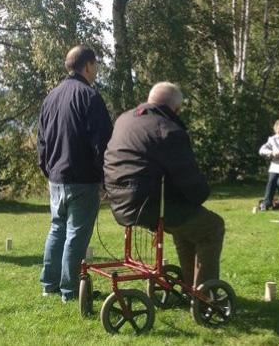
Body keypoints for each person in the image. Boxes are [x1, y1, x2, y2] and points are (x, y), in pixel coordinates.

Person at [104, 82, 225, 289]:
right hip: (151, 205)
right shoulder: (168, 129)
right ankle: (206, 295)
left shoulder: (125, 119)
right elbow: (190, 181)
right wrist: (202, 193)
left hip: (120, 201)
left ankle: (190, 286)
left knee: (185, 225)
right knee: (212, 226)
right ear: (175, 109)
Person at [37, 45, 113, 302]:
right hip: (82, 178)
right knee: (76, 235)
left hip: (56, 177)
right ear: (88, 65)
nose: (97, 70)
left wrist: (47, 169)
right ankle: (69, 291)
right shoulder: (89, 96)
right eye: (96, 65)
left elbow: (42, 141)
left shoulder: (51, 97)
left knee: (57, 230)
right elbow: (103, 141)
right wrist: (105, 178)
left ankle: (49, 285)